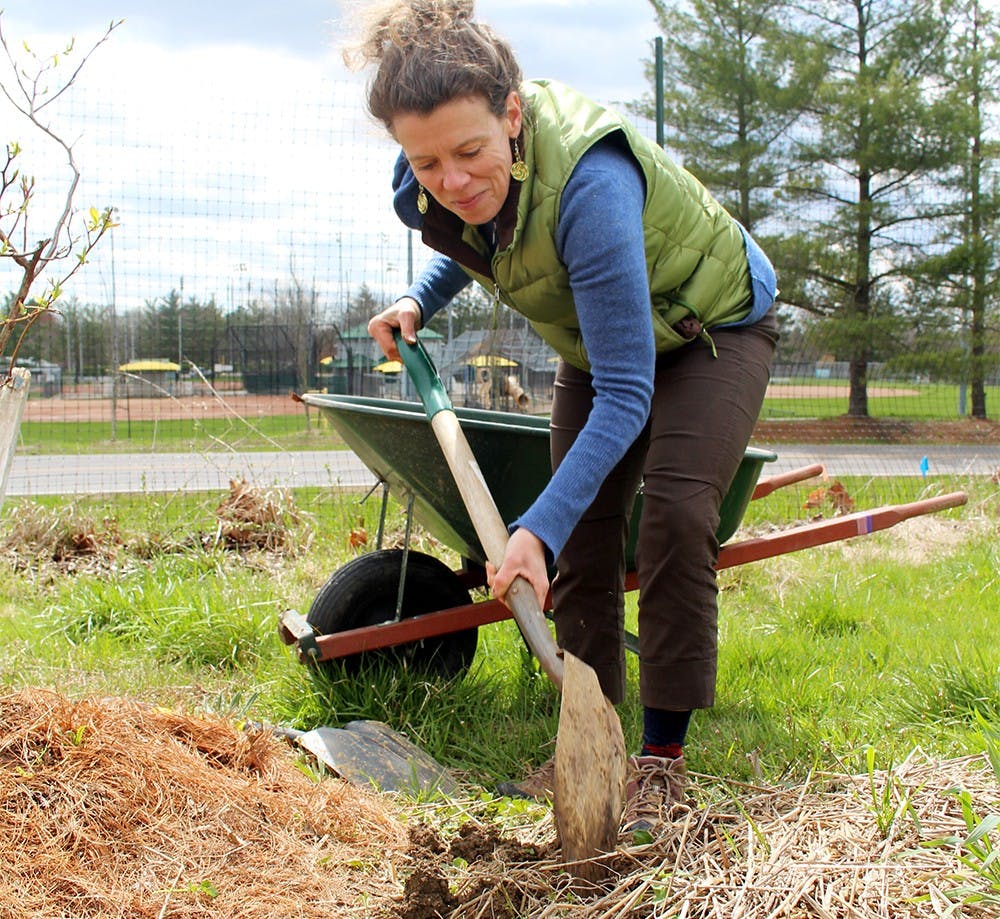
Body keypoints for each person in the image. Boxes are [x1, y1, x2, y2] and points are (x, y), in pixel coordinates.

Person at [349, 0, 778, 833]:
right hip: (604, 337)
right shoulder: (433, 181)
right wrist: (417, 299)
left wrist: (529, 529)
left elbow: (628, 391)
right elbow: (483, 239)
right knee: (582, 535)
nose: (453, 178)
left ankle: (662, 759)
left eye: (471, 151)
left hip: (709, 327)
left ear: (513, 115)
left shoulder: (593, 183)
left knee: (678, 516)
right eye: (427, 160)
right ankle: (594, 738)